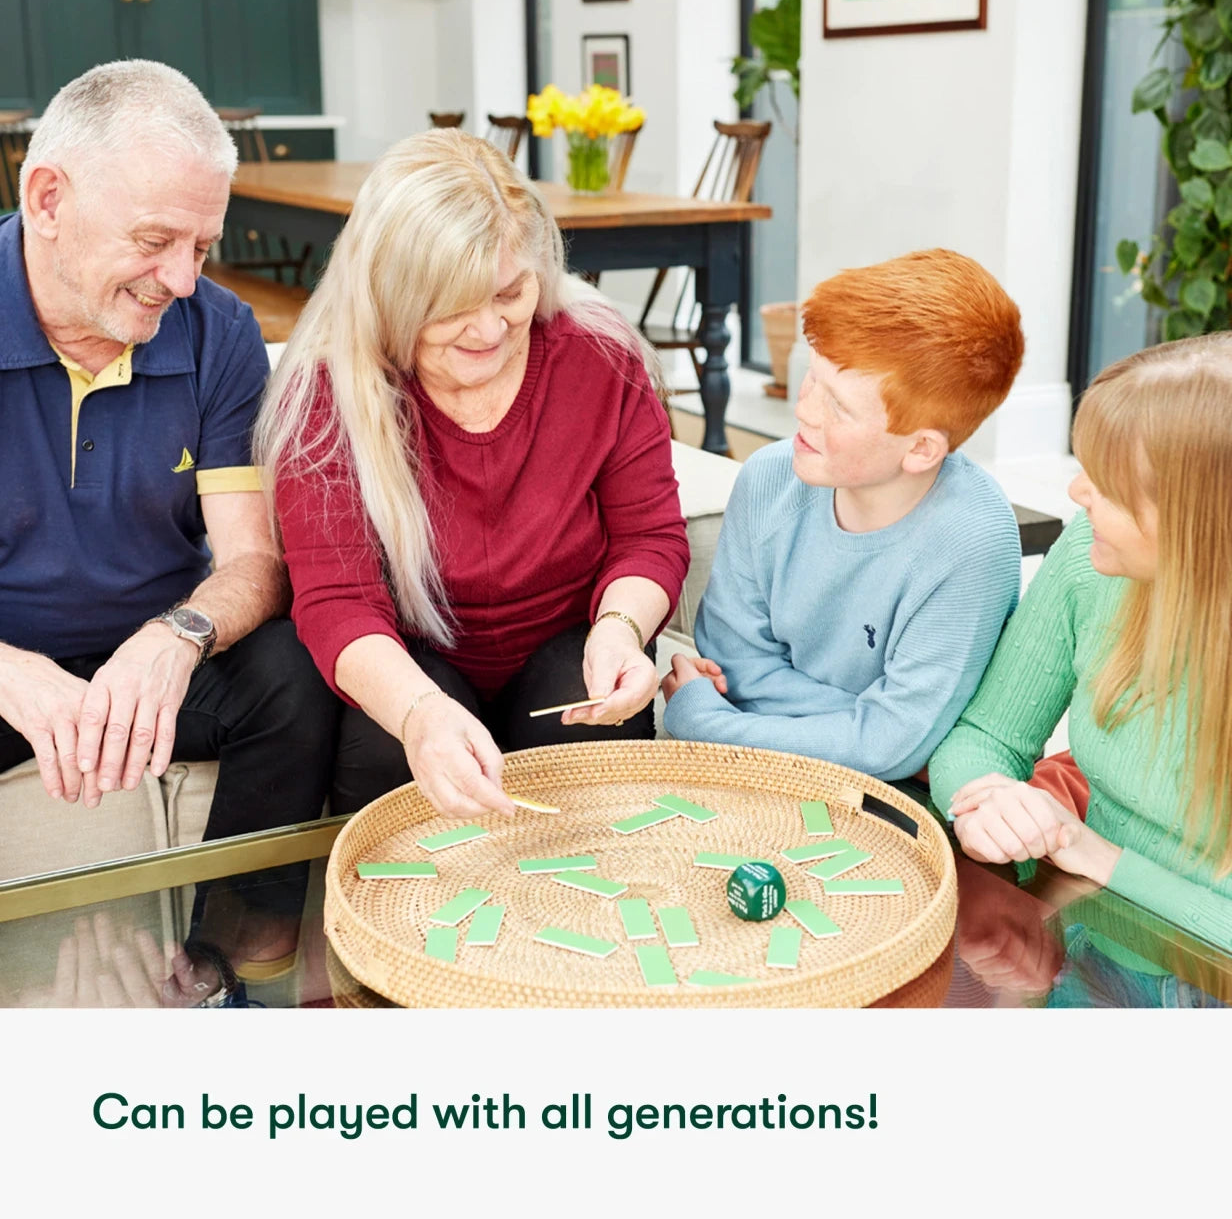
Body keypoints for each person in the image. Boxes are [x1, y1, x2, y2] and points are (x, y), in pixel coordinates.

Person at [0, 61, 340, 981]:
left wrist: (178, 635)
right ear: (47, 198)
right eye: (155, 240)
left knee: (297, 670)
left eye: (202, 245)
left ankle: (219, 979)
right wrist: (11, 672)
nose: (183, 280)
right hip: (4, 665)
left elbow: (253, 560)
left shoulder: (219, 333)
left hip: (153, 661)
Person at [258, 129, 689, 820]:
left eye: (510, 292)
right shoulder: (327, 393)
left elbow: (650, 538)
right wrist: (420, 711)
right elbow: (337, 602)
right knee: (386, 741)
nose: (489, 330)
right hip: (415, 657)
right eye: (453, 306)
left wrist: (620, 630)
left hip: (564, 640)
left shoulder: (600, 359)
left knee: (587, 732)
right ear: (389, 298)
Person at [661, 249, 1024, 783]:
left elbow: (887, 750)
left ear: (921, 449)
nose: (804, 410)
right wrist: (860, 724)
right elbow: (733, 667)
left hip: (893, 808)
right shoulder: (767, 477)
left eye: (839, 406)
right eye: (811, 379)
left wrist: (704, 721)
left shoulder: (973, 540)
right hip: (766, 777)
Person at [930, 333, 1232, 953]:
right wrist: (988, 808)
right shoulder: (1089, 560)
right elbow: (987, 734)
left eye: (1111, 486)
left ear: (1195, 522)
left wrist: (1101, 857)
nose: (1076, 493)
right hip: (1090, 939)